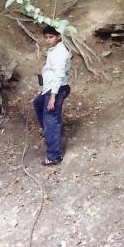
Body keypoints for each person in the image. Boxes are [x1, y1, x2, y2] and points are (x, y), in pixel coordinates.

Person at [33, 25, 72, 165]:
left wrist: (53, 97)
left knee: (50, 117)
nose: (48, 40)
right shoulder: (54, 50)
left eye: (51, 37)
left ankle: (54, 156)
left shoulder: (60, 52)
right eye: (46, 37)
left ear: (58, 37)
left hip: (57, 89)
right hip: (50, 88)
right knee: (38, 103)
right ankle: (53, 134)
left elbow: (59, 75)